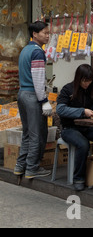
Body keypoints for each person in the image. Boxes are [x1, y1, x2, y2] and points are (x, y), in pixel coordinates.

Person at [15, 21, 53, 179]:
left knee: (27, 133)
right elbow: (38, 80)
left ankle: (20, 166)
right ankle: (32, 168)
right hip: (32, 95)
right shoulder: (37, 52)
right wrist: (44, 100)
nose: (47, 35)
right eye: (44, 32)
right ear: (35, 34)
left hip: (22, 93)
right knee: (37, 133)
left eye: (48, 32)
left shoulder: (25, 49)